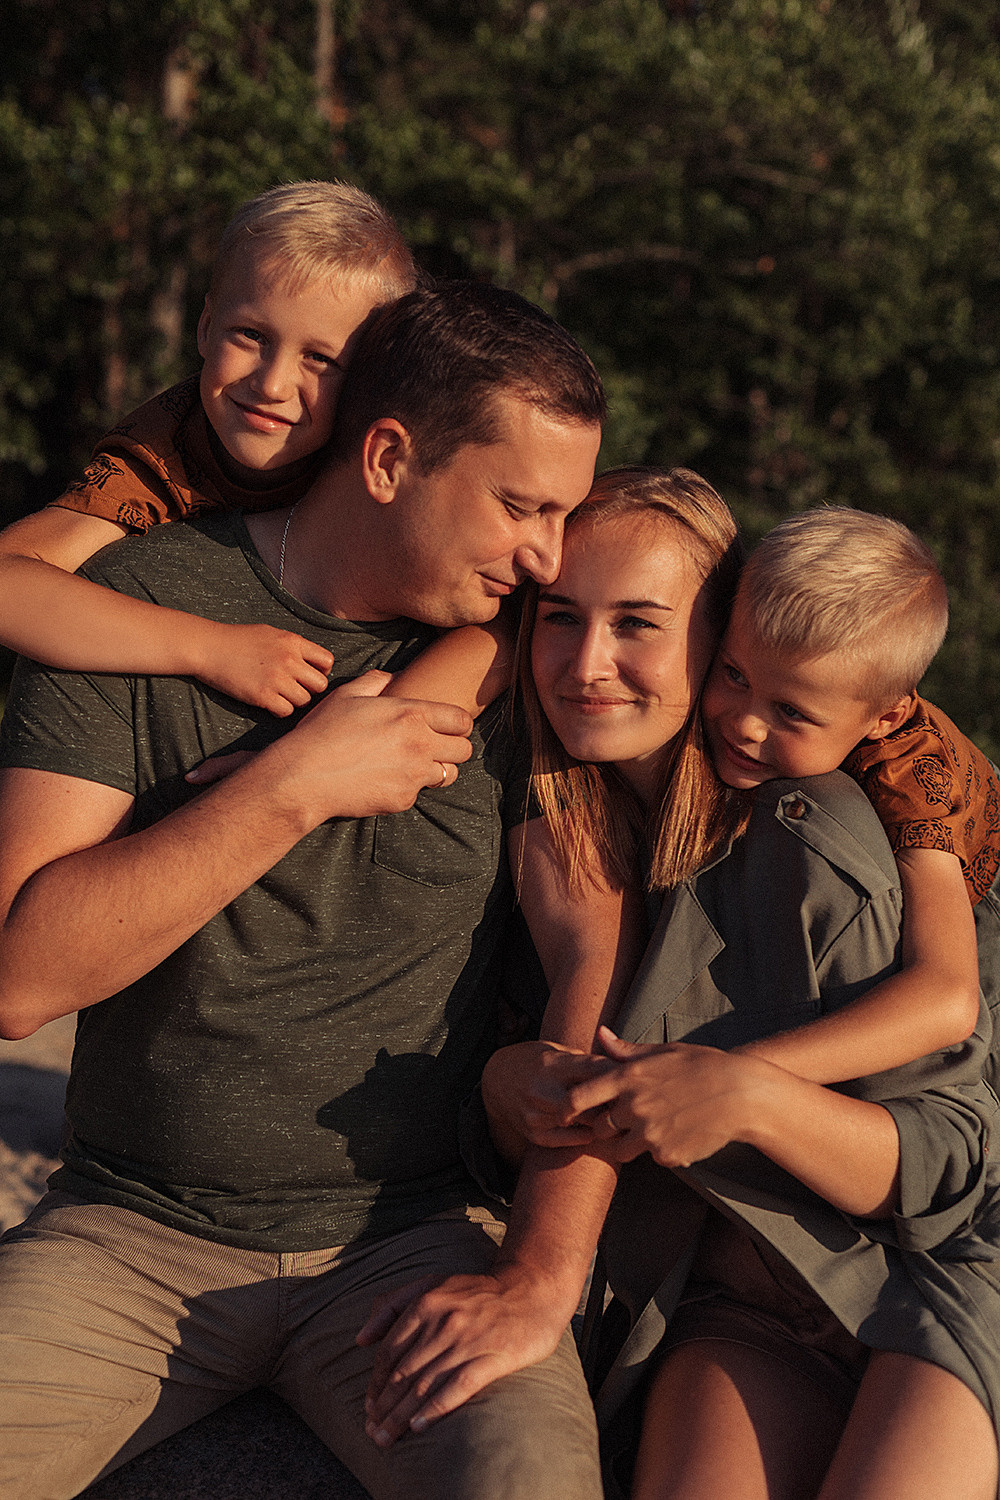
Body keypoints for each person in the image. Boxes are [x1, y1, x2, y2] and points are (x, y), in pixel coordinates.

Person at [0, 281, 606, 1500]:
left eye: (565, 514)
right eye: (521, 507)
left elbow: (597, 940)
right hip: (126, 1236)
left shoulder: (534, 653)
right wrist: (289, 786)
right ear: (387, 458)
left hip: (415, 1246)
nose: (550, 555)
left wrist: (540, 1275)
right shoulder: (137, 608)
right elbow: (20, 982)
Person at [360, 472, 1000, 1500]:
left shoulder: (817, 842)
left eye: (638, 625)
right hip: (738, 1300)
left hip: (928, 1278)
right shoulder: (560, 826)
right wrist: (508, 1085)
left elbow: (949, 1163)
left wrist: (748, 1093)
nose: (588, 664)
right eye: (561, 618)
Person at [0, 180, 420, 715]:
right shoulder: (165, 451)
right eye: (251, 335)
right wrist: (211, 649)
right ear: (204, 327)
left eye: (319, 359)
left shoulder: (385, 455)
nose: (272, 385)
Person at [702, 505, 1000, 1086]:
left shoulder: (912, 784)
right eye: (734, 674)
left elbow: (948, 1000)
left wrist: (738, 1078)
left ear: (885, 719)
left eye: (790, 712)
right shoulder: (819, 702)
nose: (745, 724)